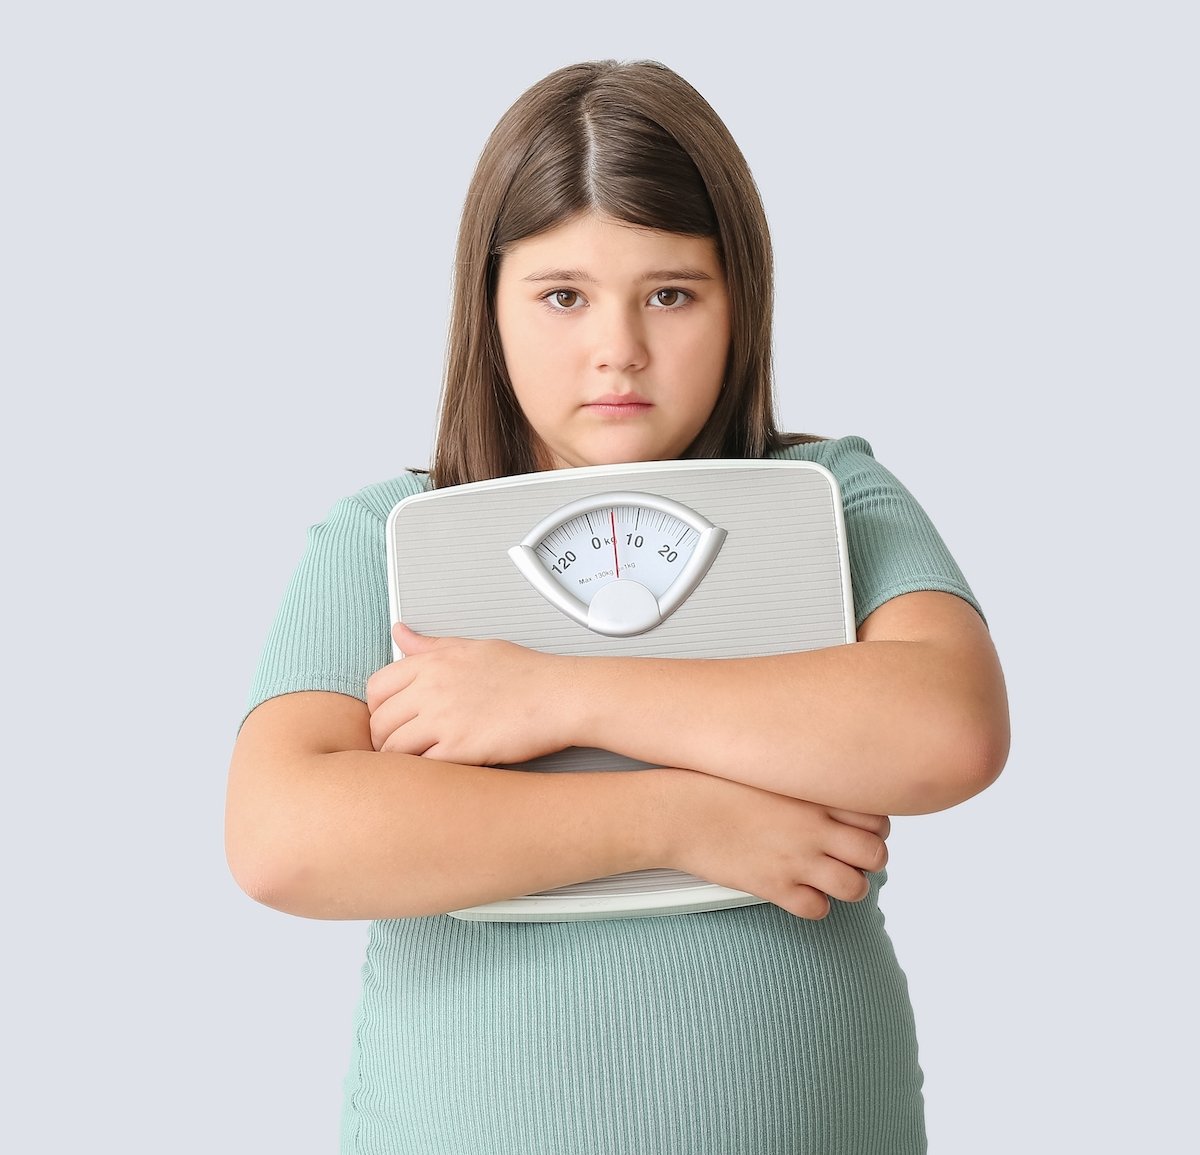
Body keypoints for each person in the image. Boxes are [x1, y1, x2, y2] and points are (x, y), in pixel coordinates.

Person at [225, 59, 1009, 1155]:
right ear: (486, 305)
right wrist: (684, 821)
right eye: (562, 296)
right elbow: (281, 839)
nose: (618, 349)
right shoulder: (385, 536)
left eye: (672, 293)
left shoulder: (833, 498)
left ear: (743, 297)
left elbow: (948, 729)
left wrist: (559, 695)